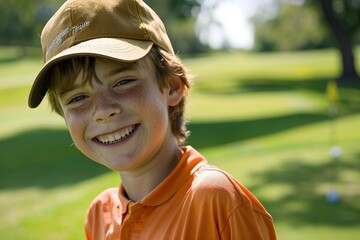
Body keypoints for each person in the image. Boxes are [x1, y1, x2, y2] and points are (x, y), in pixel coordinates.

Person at [28, 0, 277, 239]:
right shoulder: (98, 215)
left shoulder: (215, 200)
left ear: (171, 86)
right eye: (77, 98)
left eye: (123, 82)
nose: (103, 110)